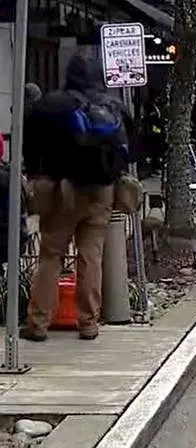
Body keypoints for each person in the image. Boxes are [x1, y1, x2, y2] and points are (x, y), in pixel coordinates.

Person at [22, 52, 132, 342]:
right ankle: (88, 323)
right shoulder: (113, 106)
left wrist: (36, 174)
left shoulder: (50, 104)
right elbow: (133, 148)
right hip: (101, 191)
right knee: (91, 257)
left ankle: (38, 323)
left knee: (50, 256)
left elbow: (29, 145)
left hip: (62, 190)